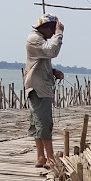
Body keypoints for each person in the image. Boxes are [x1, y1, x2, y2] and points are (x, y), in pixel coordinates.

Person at [25, 14, 65, 166]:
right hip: (39, 88)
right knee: (43, 123)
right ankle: (49, 158)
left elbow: (41, 62)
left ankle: (41, 157)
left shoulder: (38, 39)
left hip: (39, 85)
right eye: (52, 31)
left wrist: (53, 71)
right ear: (47, 28)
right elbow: (52, 52)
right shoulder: (35, 39)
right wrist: (60, 33)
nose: (52, 35)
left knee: (37, 123)